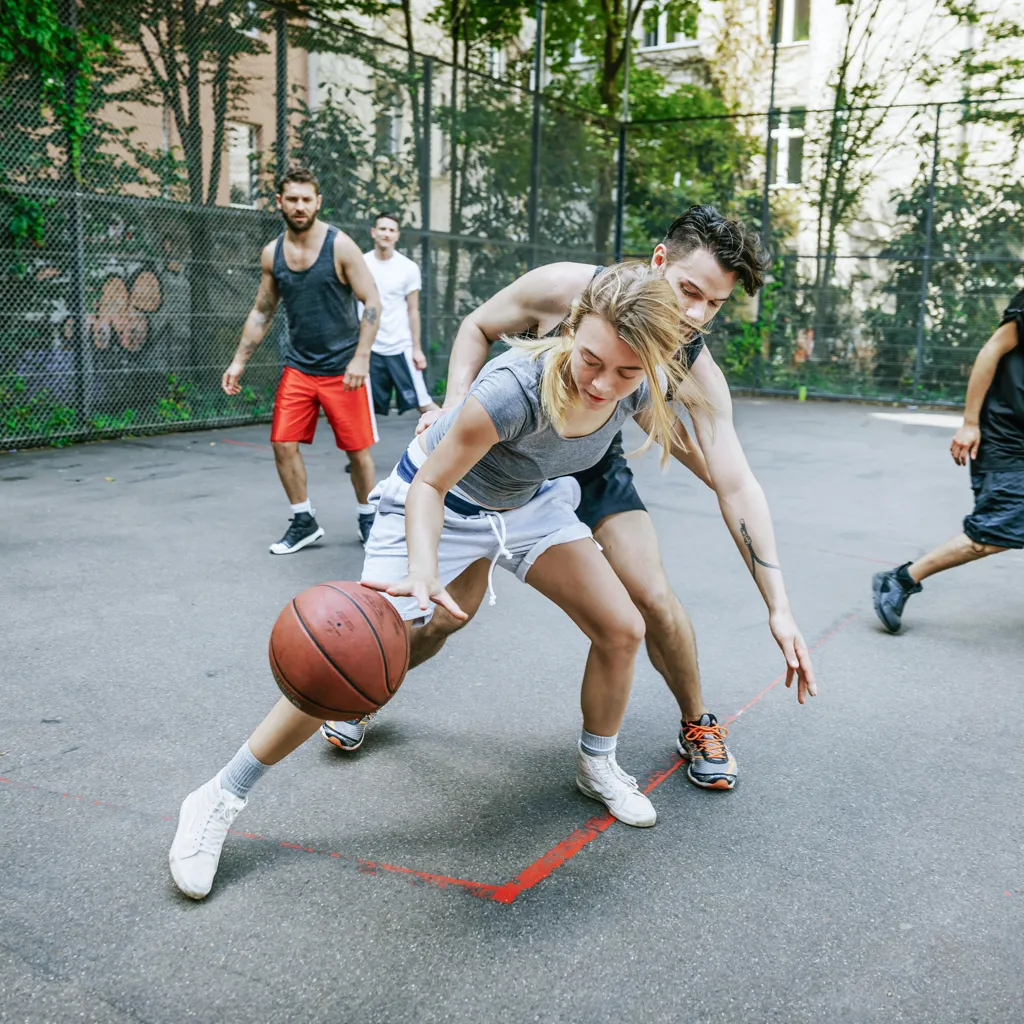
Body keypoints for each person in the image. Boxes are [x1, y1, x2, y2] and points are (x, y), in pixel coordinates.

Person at [169, 263, 813, 901]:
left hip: (528, 505)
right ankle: (220, 794)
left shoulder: (636, 383)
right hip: (442, 502)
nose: (602, 384)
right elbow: (430, 485)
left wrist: (779, 608)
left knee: (622, 628)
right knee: (352, 647)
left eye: (625, 372)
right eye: (591, 360)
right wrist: (423, 567)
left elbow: (728, 479)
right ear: (571, 328)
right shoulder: (512, 389)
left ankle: (597, 764)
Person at [322, 206, 817, 791]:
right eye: (689, 291)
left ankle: (696, 722)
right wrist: (457, 404)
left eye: (714, 304)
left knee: (650, 599)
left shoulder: (689, 359)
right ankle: (362, 689)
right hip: (503, 453)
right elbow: (477, 326)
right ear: (659, 261)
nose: (695, 315)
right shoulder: (565, 288)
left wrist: (778, 606)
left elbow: (733, 481)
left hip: (590, 458)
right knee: (446, 616)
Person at [221, 166, 383, 551]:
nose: (299, 206)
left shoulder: (340, 246)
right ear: (280, 202)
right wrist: (238, 361)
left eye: (306, 199)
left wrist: (361, 359)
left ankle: (368, 516)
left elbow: (373, 302)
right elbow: (262, 310)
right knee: (282, 443)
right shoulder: (272, 253)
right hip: (300, 366)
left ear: (317, 202)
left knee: (357, 452)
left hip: (345, 369)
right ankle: (303, 519)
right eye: (292, 199)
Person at [872, 289, 1024, 632]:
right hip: (1008, 437)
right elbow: (993, 349)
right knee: (994, 530)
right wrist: (970, 422)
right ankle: (900, 579)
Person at [363, 213, 438, 418]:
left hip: (400, 345)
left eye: (391, 230)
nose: (386, 234)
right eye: (382, 229)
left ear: (397, 235)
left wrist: (417, 349)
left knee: (424, 404)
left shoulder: (408, 268)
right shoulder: (360, 264)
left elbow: (413, 310)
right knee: (360, 406)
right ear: (373, 232)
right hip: (368, 348)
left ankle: (456, 437)